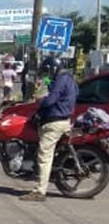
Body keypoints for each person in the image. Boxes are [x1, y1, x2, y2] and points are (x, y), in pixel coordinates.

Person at [20, 57, 78, 202]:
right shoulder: (69, 79)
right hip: (64, 119)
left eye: (47, 71)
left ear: (53, 68)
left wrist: (40, 101)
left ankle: (40, 191)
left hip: (54, 122)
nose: (47, 74)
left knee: (44, 156)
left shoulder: (60, 80)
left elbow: (51, 99)